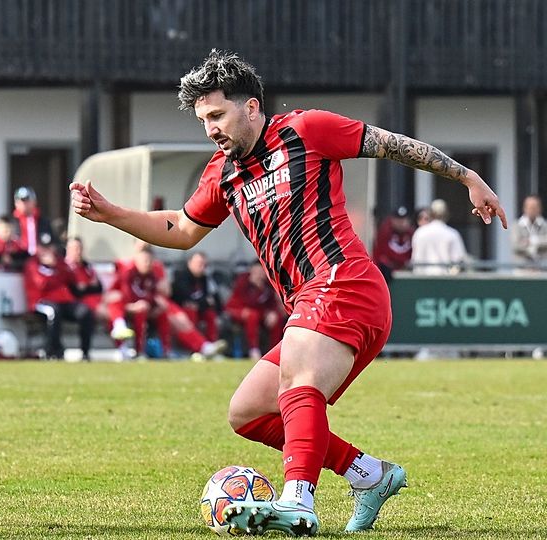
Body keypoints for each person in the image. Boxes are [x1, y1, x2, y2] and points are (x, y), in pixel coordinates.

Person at [70, 49, 506, 535]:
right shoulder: (223, 172)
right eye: (203, 120)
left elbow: (392, 145)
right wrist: (112, 214)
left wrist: (467, 177)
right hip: (311, 301)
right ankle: (370, 475)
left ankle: (298, 500)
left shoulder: (306, 129)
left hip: (346, 281)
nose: (211, 129)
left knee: (298, 382)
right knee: (249, 412)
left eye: (218, 115)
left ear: (251, 107)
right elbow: (180, 228)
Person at [22, 234, 95, 360]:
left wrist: (56, 267)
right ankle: (53, 351)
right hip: (41, 301)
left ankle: (85, 352)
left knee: (85, 312)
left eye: (50, 247)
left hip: (63, 300)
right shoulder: (32, 264)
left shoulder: (59, 262)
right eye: (44, 248)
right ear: (38, 248)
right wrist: (55, 272)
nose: (47, 251)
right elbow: (42, 284)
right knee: (53, 312)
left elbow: (71, 278)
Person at [225, 263, 285, 359]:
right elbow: (245, 302)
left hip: (258, 312)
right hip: (238, 309)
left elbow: (271, 303)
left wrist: (272, 312)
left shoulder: (268, 284)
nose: (259, 275)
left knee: (276, 317)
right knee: (252, 315)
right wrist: (257, 288)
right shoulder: (243, 281)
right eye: (256, 272)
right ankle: (254, 349)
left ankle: (275, 351)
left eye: (261, 272)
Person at [171, 251, 221, 342]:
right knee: (191, 310)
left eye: (204, 264)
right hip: (181, 311)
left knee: (210, 314)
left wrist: (202, 303)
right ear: (190, 263)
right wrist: (204, 302)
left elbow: (213, 300)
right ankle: (195, 346)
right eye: (199, 263)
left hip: (200, 309)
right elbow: (185, 299)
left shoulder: (206, 279)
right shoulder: (181, 277)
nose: (202, 267)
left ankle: (212, 344)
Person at [411, 199, 468, 275]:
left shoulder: (420, 232)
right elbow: (458, 260)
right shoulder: (452, 233)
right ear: (446, 213)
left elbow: (414, 259)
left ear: (430, 213)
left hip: (421, 278)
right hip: (444, 280)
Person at [371, 206, 413, 283]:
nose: (401, 223)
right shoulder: (385, 232)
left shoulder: (411, 234)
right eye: (398, 220)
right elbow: (380, 254)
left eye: (404, 220)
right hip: (387, 274)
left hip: (406, 273)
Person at [11, 186, 54, 256]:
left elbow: (55, 244)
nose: (24, 204)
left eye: (27, 201)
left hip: (39, 261)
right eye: (21, 201)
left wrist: (47, 250)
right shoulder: (11, 222)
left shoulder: (44, 222)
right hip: (17, 261)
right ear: (16, 203)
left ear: (34, 202)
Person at [511, 194, 547, 271]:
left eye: (534, 208)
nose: (532, 210)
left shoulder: (544, 225)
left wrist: (533, 241)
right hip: (522, 270)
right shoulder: (517, 226)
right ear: (525, 208)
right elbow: (516, 245)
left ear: (539, 209)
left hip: (542, 270)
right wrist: (534, 247)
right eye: (530, 207)